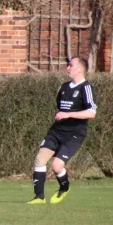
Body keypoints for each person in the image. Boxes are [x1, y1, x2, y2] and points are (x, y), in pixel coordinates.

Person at [27, 56, 97, 205]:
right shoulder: (64, 87)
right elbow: (60, 107)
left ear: (79, 69)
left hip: (74, 134)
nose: (67, 68)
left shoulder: (86, 88)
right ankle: (39, 197)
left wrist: (68, 114)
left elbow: (91, 113)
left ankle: (64, 188)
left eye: (70, 65)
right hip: (56, 131)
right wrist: (62, 114)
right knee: (40, 159)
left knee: (57, 166)